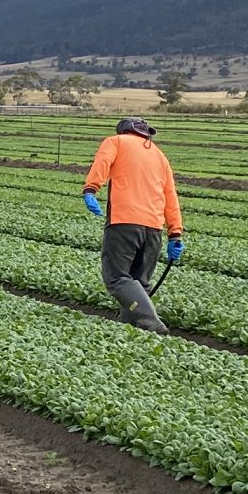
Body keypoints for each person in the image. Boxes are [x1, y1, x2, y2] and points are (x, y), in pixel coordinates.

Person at [83, 116, 183, 333]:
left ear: (124, 130)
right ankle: (128, 330)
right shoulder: (159, 156)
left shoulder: (116, 142)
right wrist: (175, 233)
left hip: (124, 222)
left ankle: (151, 323)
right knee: (139, 282)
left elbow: (103, 163)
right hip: (154, 228)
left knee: (117, 277)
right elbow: (170, 195)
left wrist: (91, 188)